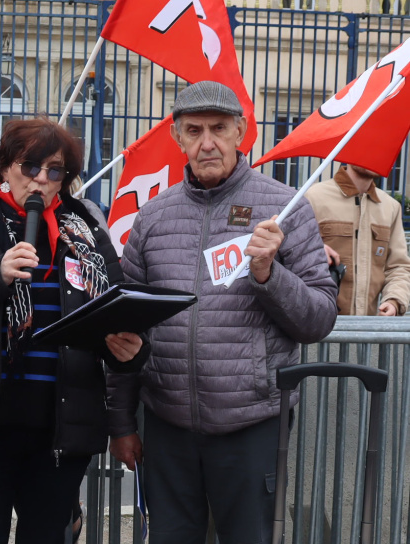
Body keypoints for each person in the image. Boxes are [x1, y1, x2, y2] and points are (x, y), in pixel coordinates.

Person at [107, 81, 337, 544]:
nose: (206, 142)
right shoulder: (153, 217)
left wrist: (271, 274)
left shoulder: (285, 208)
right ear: (177, 138)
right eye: (194, 130)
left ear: (241, 132)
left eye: (218, 129)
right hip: (167, 427)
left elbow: (319, 319)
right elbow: (124, 327)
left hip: (251, 425)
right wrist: (121, 423)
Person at [0, 117, 148, 544]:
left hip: (59, 432)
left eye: (54, 171)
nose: (40, 179)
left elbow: (116, 316)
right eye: (29, 166)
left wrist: (127, 349)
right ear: (4, 168)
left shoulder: (88, 233)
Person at [305, 163, 410, 316]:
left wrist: (394, 300)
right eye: (369, 148)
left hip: (367, 330)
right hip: (318, 329)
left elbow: (399, 266)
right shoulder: (313, 198)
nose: (374, 157)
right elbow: (292, 258)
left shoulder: (390, 207)